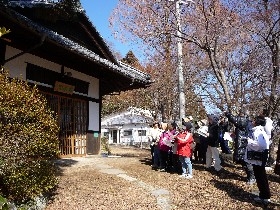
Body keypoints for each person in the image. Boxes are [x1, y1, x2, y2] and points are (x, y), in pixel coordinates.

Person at [244, 115, 271, 204]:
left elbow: (261, 145)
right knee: (260, 177)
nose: (252, 121)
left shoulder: (258, 131)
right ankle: (263, 196)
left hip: (258, 158)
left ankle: (265, 197)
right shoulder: (258, 131)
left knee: (261, 177)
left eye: (254, 120)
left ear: (257, 122)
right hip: (258, 158)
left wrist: (248, 141)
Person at [225, 110, 256, 184]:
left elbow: (235, 120)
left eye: (241, 114)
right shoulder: (246, 122)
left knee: (246, 162)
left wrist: (228, 114)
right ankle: (251, 176)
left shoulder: (244, 121)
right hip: (242, 144)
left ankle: (252, 177)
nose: (239, 115)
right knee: (244, 161)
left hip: (244, 145)